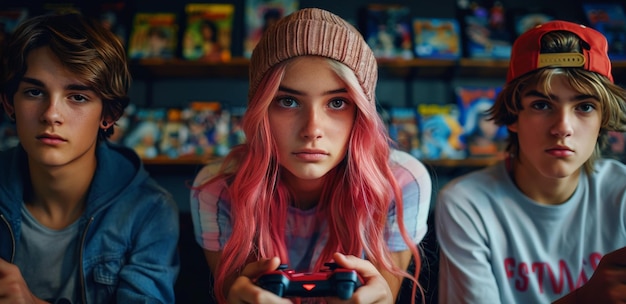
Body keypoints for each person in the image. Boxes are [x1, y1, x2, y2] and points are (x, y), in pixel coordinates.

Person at [190, 7, 432, 303]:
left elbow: (384, 295)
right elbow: (232, 294)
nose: (312, 129)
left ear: (362, 113)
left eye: (338, 102)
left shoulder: (401, 183)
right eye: (288, 101)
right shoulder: (217, 188)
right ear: (261, 109)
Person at [435, 20, 626, 303]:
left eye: (584, 107)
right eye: (542, 105)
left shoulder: (621, 192)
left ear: (603, 120)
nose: (563, 127)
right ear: (513, 116)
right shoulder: (467, 203)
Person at [0, 13, 180, 303]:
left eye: (78, 97)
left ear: (108, 115)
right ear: (10, 103)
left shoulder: (148, 210)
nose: (51, 114)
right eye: (34, 92)